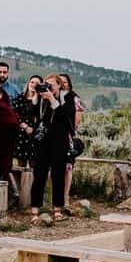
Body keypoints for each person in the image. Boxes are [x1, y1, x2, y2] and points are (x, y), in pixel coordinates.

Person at [29, 74, 76, 224]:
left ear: (59, 85)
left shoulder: (67, 98)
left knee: (58, 175)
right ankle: (35, 209)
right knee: (39, 175)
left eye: (52, 85)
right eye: (46, 84)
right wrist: (36, 96)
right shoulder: (42, 99)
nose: (49, 87)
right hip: (42, 142)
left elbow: (65, 116)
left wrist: (52, 99)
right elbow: (33, 113)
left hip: (59, 142)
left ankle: (57, 208)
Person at [59, 73, 85, 211]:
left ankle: (66, 196)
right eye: (60, 81)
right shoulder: (55, 96)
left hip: (67, 135)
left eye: (65, 81)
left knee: (68, 167)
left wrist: (70, 131)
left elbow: (78, 117)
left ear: (69, 83)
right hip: (54, 136)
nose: (63, 84)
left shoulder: (74, 98)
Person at [12, 75, 43, 167]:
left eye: (37, 83)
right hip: (21, 132)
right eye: (32, 82)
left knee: (35, 164)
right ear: (28, 83)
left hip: (36, 132)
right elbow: (14, 114)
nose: (33, 85)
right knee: (21, 164)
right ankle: (19, 182)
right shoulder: (20, 98)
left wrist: (37, 95)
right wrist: (25, 126)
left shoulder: (42, 100)